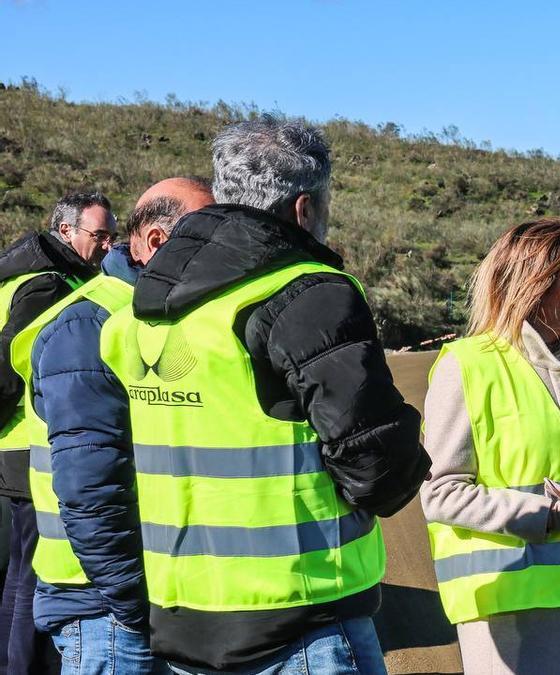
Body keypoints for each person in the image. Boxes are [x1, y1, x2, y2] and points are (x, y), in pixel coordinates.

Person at [99, 118, 431, 673]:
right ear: (304, 209)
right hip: (301, 619)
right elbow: (377, 471)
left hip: (182, 617)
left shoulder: (134, 315)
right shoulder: (308, 293)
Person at [11, 178, 213, 675]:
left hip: (146, 595)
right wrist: (128, 599)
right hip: (103, 605)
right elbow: (89, 486)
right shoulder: (91, 324)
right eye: (206, 239)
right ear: (156, 243)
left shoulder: (167, 316)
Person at [421, 217, 560, 675]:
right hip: (507, 609)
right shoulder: (466, 367)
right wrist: (551, 517)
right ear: (533, 284)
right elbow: (440, 493)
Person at [0, 191, 113, 674]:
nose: (107, 246)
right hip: (28, 450)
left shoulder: (21, 277)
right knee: (31, 576)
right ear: (65, 231)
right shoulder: (51, 287)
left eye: (112, 236)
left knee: (17, 575)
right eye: (99, 235)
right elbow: (8, 367)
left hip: (14, 448)